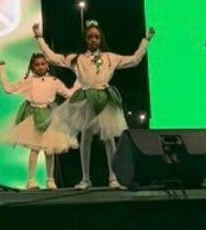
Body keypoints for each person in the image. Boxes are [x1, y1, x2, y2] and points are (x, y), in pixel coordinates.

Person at [33, 20, 155, 190]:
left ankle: (113, 177)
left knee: (109, 138)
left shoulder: (109, 57)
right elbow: (52, 58)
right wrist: (39, 37)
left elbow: (134, 60)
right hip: (86, 99)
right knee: (86, 137)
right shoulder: (77, 59)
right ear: (85, 39)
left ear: (100, 39)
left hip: (104, 98)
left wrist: (146, 41)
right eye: (90, 37)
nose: (93, 40)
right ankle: (85, 179)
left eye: (96, 37)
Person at [0, 52, 78, 190]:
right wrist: (2, 73)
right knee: (35, 148)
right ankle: (31, 179)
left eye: (43, 64)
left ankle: (50, 179)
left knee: (49, 150)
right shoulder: (29, 81)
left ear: (47, 66)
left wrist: (80, 83)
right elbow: (9, 89)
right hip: (34, 116)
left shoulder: (54, 81)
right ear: (32, 67)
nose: (40, 67)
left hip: (49, 115)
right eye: (37, 64)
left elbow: (68, 93)